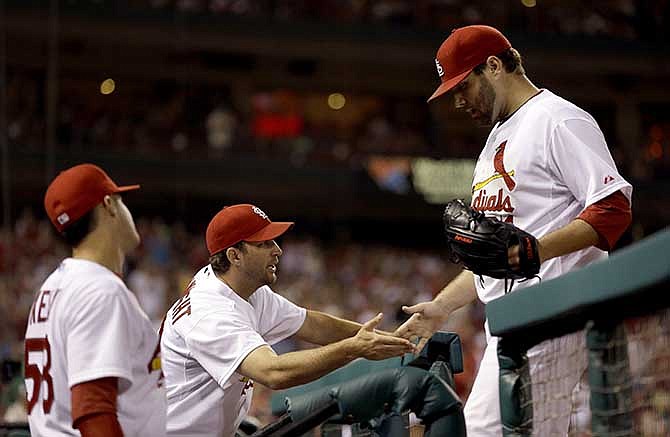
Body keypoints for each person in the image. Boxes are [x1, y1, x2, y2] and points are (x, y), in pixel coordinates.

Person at [396, 25, 632, 436]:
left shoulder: (557, 119)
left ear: (493, 66)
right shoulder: (494, 143)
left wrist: (534, 250)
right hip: (511, 325)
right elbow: (497, 253)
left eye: (462, 86)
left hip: (553, 315)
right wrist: (441, 307)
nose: (457, 101)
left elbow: (613, 209)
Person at [160, 204, 415, 437]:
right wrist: (353, 349)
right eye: (264, 243)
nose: (277, 250)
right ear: (234, 256)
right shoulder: (211, 311)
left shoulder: (245, 289)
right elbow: (273, 372)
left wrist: (385, 338)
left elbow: (312, 324)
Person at [24, 164, 166, 436]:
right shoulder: (99, 290)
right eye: (122, 201)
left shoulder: (54, 286)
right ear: (109, 205)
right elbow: (93, 411)